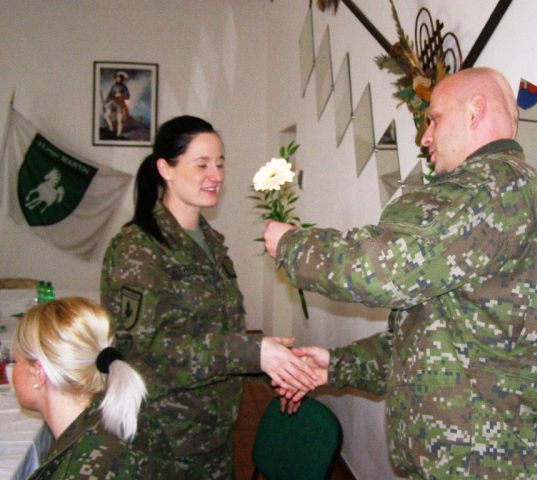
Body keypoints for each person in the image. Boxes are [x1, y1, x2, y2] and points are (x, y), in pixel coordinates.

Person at [263, 67, 537, 479]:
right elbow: (429, 339)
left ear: (474, 112)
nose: (425, 137)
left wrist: (291, 245)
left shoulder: (490, 188)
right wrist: (336, 365)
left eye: (434, 119)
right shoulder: (506, 195)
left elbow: (381, 271)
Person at [101, 115, 317, 479]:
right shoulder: (138, 248)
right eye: (201, 165)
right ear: (165, 169)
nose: (216, 176)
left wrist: (276, 368)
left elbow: (220, 331)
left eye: (220, 163)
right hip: (163, 439)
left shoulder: (211, 242)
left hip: (213, 431)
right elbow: (149, 348)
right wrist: (254, 352)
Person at [12, 297, 157, 479]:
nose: (13, 371)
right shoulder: (109, 419)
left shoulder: (85, 468)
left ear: (39, 373)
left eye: (16, 361)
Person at [103, 71, 130, 138]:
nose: (117, 79)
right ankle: (111, 127)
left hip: (119, 103)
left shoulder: (124, 87)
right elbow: (109, 95)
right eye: (116, 78)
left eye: (119, 78)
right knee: (106, 116)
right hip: (112, 102)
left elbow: (127, 96)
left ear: (121, 79)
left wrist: (121, 95)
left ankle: (118, 134)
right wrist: (105, 101)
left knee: (119, 120)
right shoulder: (113, 86)